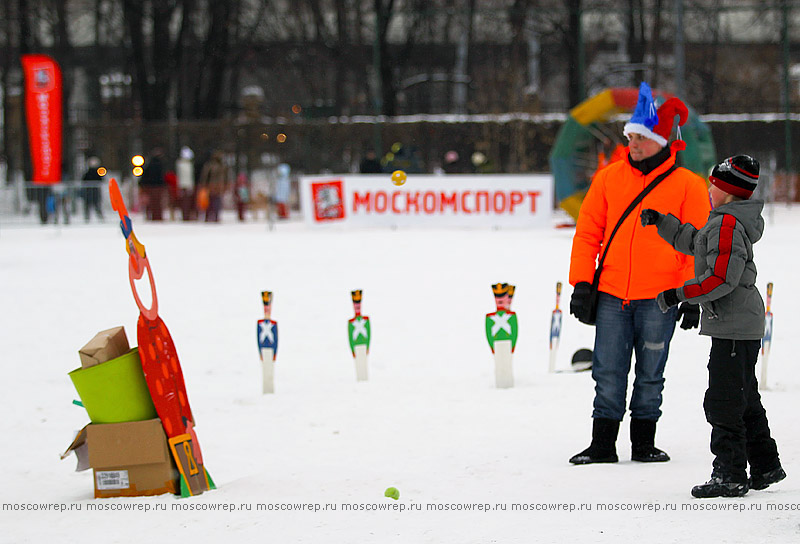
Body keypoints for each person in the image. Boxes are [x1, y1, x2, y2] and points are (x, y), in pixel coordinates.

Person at [568, 82, 711, 465]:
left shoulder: (689, 186)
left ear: (662, 142)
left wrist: (691, 294)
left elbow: (697, 245)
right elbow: (587, 234)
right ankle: (602, 444)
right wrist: (583, 283)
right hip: (614, 293)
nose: (632, 142)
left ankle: (643, 443)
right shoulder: (608, 179)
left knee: (651, 373)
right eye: (630, 136)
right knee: (607, 370)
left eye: (640, 137)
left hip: (662, 298)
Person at [641, 155, 785, 498]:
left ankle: (730, 473)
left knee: (723, 400)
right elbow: (696, 243)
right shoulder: (723, 222)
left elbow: (721, 278)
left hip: (734, 327)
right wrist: (664, 223)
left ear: (727, 191)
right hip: (739, 324)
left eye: (714, 184)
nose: (709, 189)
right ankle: (765, 465)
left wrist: (679, 293)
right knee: (744, 396)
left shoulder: (727, 225)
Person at [198, 150, 229, 222]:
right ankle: (215, 216)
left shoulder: (209, 165)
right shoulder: (223, 166)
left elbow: (205, 176)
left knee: (211, 201)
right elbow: (226, 177)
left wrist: (203, 185)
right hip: (218, 186)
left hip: (212, 185)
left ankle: (209, 216)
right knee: (216, 201)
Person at [139, 147, 167, 220]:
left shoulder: (149, 164)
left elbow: (145, 174)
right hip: (158, 186)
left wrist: (142, 183)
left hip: (150, 186)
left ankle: (150, 216)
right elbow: (162, 176)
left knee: (150, 203)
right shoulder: (160, 164)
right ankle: (157, 216)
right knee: (157, 203)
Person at [175, 146, 196, 221]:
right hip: (185, 185)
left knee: (186, 202)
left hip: (184, 185)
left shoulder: (181, 164)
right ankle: (186, 215)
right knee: (185, 202)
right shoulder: (185, 164)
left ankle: (186, 215)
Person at [81, 157, 105, 221]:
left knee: (95, 204)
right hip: (89, 191)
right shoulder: (90, 173)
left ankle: (98, 216)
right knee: (90, 205)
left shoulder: (95, 173)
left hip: (94, 191)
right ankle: (88, 217)